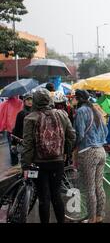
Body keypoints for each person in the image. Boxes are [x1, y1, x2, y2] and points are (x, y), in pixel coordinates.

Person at [21, 89, 75, 223]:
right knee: (56, 195)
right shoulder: (62, 115)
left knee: (43, 197)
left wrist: (25, 165)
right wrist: (65, 153)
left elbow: (28, 145)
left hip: (39, 163)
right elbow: (72, 136)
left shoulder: (30, 118)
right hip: (58, 161)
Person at [73, 90, 108, 223]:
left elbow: (79, 134)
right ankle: (99, 215)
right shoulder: (96, 110)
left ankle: (91, 218)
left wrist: (72, 147)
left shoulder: (81, 111)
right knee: (99, 186)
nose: (72, 101)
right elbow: (106, 131)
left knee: (90, 188)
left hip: (88, 152)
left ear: (78, 99)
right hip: (101, 151)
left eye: (74, 98)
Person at [0, 95, 23, 166]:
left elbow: (1, 116)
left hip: (10, 130)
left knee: (12, 147)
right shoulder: (21, 102)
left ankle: (14, 163)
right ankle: (22, 164)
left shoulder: (4, 104)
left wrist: (1, 129)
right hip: (21, 128)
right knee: (23, 147)